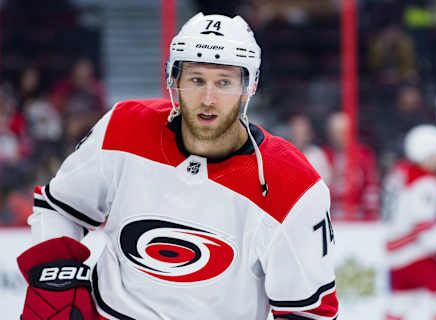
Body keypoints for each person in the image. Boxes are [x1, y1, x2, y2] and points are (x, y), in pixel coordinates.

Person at [16, 13, 338, 320]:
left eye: (223, 82)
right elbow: (60, 208)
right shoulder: (125, 127)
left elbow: (309, 313)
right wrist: (55, 277)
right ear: (174, 79)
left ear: (247, 88)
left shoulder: (293, 184)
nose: (208, 98)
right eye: (196, 79)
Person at [383, 125, 436, 320]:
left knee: (400, 304)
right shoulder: (427, 182)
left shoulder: (399, 172)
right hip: (414, 254)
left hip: (394, 253)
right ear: (427, 153)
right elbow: (424, 229)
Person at [320, 112, 379, 220]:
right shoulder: (323, 156)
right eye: (335, 132)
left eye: (343, 132)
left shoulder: (364, 155)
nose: (339, 137)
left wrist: (370, 218)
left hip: (357, 217)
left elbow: (370, 189)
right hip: (330, 217)